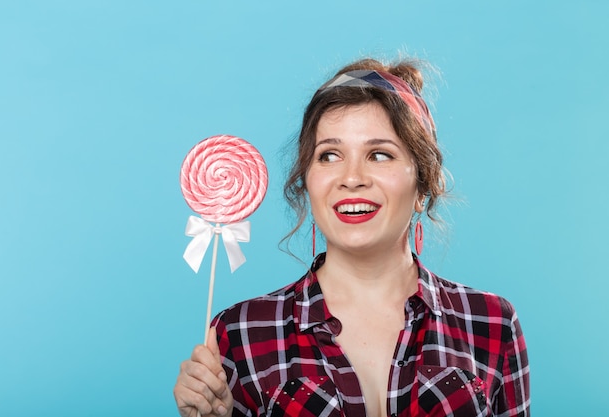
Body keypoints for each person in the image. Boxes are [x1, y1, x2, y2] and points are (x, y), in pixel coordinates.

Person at [173, 57, 530, 417]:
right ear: (306, 182)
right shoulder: (239, 334)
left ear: (423, 184)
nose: (352, 177)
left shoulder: (492, 323)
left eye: (379, 154)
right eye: (329, 155)